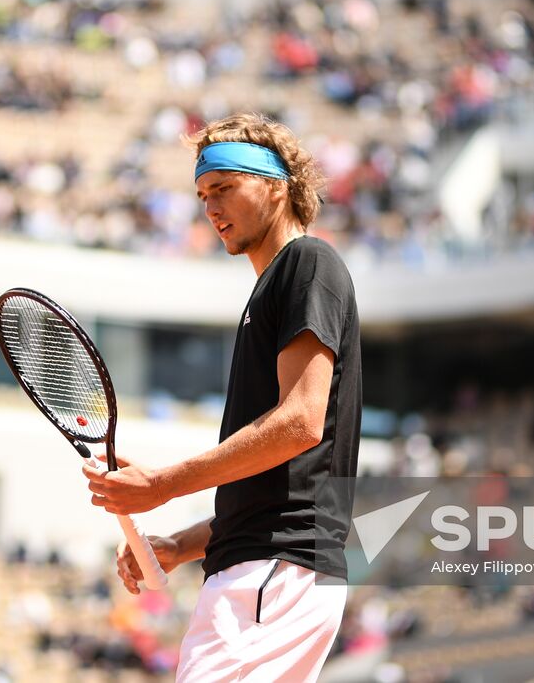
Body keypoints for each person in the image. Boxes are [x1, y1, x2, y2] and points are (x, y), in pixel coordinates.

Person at [84, 113, 362, 682]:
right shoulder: (274, 287)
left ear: (276, 184)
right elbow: (279, 488)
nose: (210, 208)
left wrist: (163, 484)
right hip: (272, 572)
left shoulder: (307, 264)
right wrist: (178, 545)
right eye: (202, 194)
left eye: (224, 188)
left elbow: (300, 424)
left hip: (273, 573)